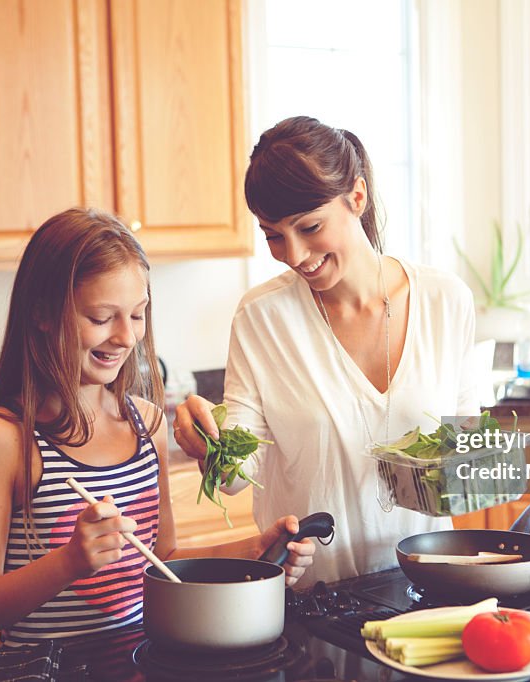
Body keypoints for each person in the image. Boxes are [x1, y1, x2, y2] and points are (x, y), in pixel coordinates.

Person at [0, 207, 316, 647]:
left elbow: (163, 560)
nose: (126, 337)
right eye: (102, 318)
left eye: (137, 315)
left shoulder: (147, 422)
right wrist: (68, 563)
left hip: (140, 664)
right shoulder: (1, 438)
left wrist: (254, 551)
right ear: (43, 315)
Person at [173, 116, 479, 585]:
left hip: (426, 593)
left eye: (309, 226)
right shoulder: (262, 318)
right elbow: (237, 477)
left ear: (357, 197)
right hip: (310, 603)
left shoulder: (446, 300)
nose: (293, 254)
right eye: (273, 234)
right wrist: (209, 442)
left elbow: (466, 472)